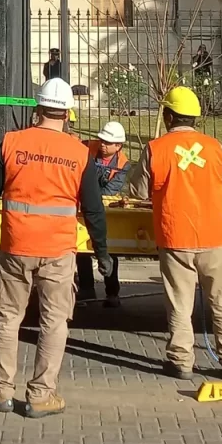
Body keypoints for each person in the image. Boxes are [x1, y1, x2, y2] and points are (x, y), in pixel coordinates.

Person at [0, 77, 111, 418]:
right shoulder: (80, 154)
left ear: (37, 108)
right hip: (58, 252)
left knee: (7, 319)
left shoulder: (11, 143)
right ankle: (40, 396)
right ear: (67, 113)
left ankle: (1, 392)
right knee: (54, 322)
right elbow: (93, 209)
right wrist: (102, 251)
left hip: (16, 247)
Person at [126, 85, 222, 381]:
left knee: (180, 303)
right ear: (194, 118)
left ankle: (181, 362)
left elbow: (137, 190)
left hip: (174, 236)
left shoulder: (156, 149)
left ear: (168, 116)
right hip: (214, 237)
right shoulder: (215, 147)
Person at [76, 120, 129, 308]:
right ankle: (86, 288)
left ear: (118, 146)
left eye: (107, 142)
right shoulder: (86, 148)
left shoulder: (123, 164)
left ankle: (112, 292)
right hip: (82, 208)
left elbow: (111, 190)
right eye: (101, 140)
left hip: (105, 210)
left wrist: (89, 192)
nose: (103, 144)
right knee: (81, 249)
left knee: (109, 251)